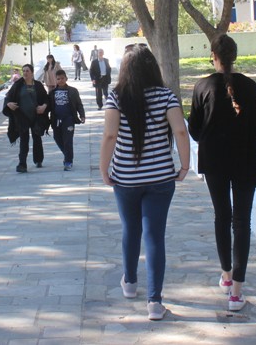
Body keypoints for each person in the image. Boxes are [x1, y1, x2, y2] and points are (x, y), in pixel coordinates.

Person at [100, 45, 190, 321]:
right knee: (154, 236)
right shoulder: (166, 96)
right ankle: (154, 302)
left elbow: (110, 136)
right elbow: (180, 130)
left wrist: (104, 169)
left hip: (126, 178)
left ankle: (129, 283)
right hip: (161, 177)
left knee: (130, 229)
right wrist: (184, 166)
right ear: (153, 68)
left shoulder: (116, 97)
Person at [188, 33, 256, 312]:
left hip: (215, 162)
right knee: (242, 222)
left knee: (222, 217)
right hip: (245, 160)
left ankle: (226, 275)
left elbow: (195, 130)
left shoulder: (202, 86)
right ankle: (237, 293)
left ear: (214, 56)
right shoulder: (250, 86)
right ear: (235, 56)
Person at [2, 64, 49, 173]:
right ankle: (22, 164)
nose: (25, 73)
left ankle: (38, 160)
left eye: (27, 71)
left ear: (32, 72)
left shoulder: (38, 85)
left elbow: (46, 98)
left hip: (36, 117)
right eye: (23, 71)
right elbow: (8, 97)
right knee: (24, 140)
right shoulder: (18, 85)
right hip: (22, 117)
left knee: (37, 138)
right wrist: (9, 104)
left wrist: (44, 106)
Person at [48, 69, 86, 170]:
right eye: (58, 79)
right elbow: (48, 106)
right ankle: (67, 154)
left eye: (62, 78)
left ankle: (68, 161)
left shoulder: (73, 91)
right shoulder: (52, 93)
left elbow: (79, 104)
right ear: (56, 80)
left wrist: (82, 115)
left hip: (69, 119)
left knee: (68, 140)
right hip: (56, 120)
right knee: (57, 138)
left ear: (66, 78)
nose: (60, 80)